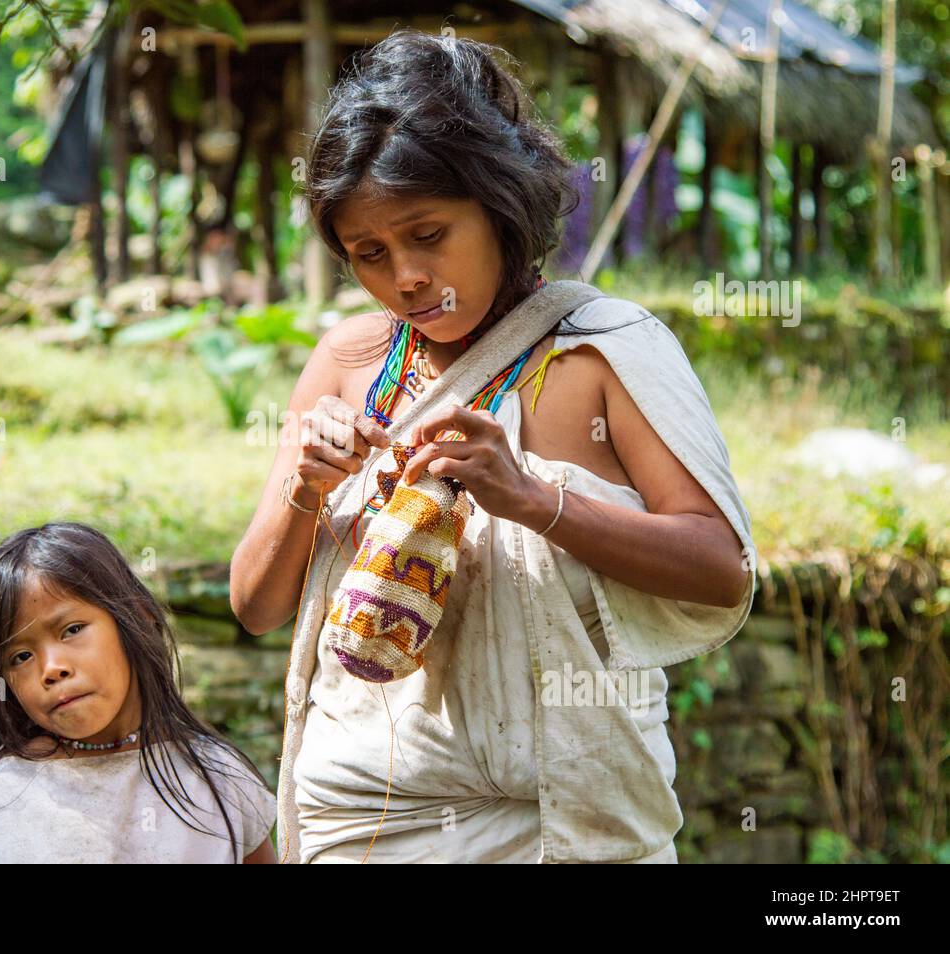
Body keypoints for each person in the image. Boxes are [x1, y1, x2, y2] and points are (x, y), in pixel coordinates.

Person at [229, 30, 757, 863]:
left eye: (428, 235)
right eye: (369, 254)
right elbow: (257, 607)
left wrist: (537, 502)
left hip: (565, 817)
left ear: (499, 202)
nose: (404, 276)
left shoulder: (606, 349)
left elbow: (720, 570)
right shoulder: (347, 363)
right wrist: (306, 482)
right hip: (366, 815)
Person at [0, 522, 277, 863]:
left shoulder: (216, 779)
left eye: (72, 629)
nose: (51, 669)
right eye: (21, 656)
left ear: (137, 618)